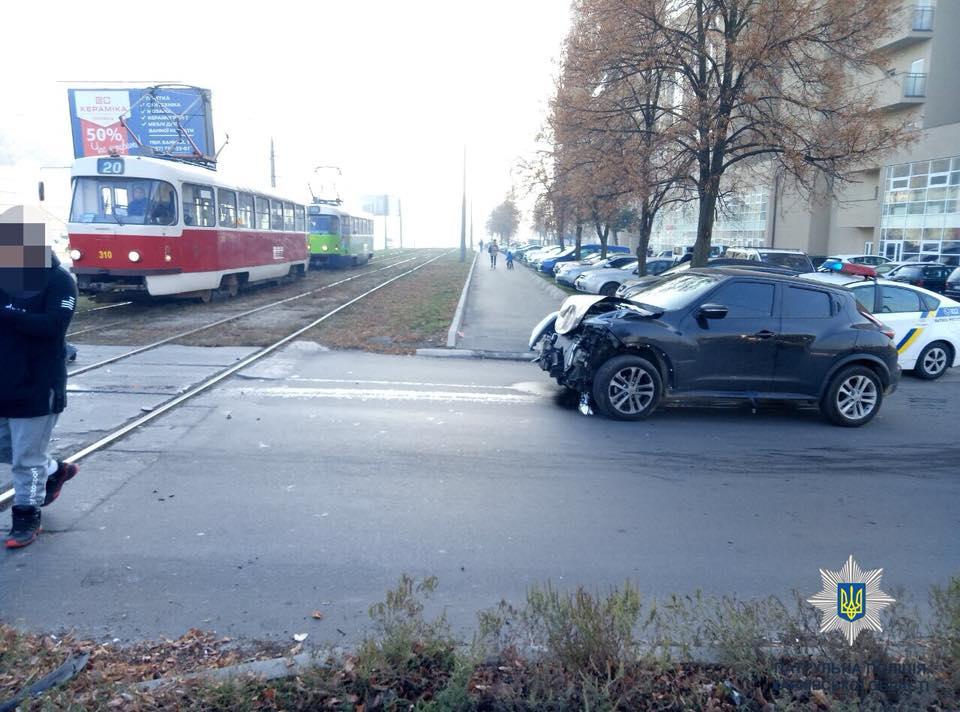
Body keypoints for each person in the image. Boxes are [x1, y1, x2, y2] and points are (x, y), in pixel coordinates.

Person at [0, 216, 79, 549]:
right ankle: (54, 469)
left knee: (25, 460)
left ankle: (26, 517)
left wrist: (6, 313)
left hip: (39, 383)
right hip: (5, 380)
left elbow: (53, 326)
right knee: (11, 450)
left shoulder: (60, 281)